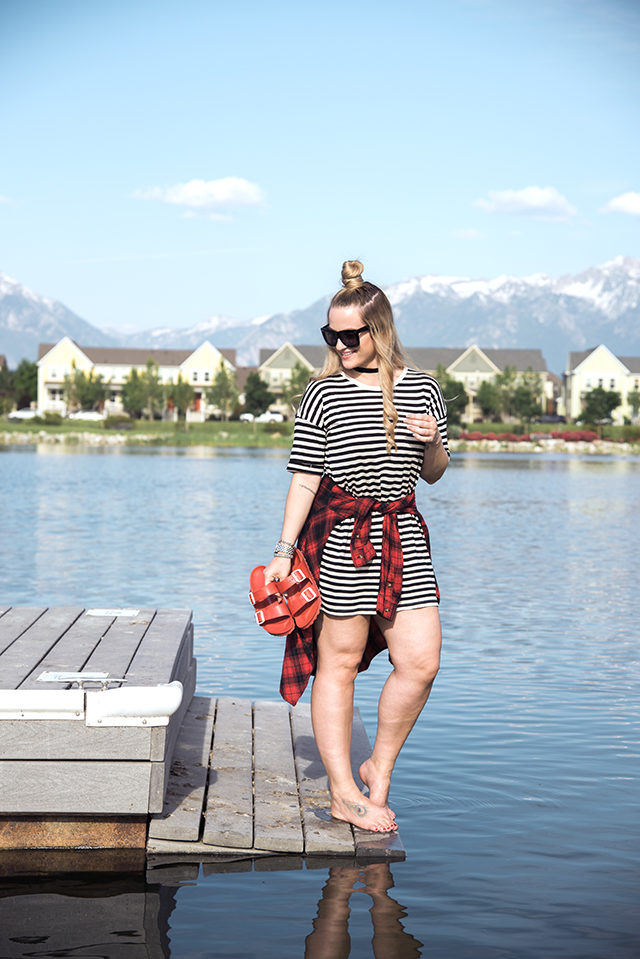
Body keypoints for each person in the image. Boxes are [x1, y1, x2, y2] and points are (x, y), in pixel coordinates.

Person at [264, 259, 450, 833]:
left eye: (351, 335)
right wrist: (283, 549)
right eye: (331, 335)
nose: (340, 344)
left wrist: (433, 439)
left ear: (381, 332)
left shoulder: (422, 388)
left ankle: (379, 768)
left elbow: (437, 472)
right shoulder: (321, 392)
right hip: (342, 538)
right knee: (337, 665)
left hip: (404, 535)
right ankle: (344, 792)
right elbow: (303, 477)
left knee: (420, 662)